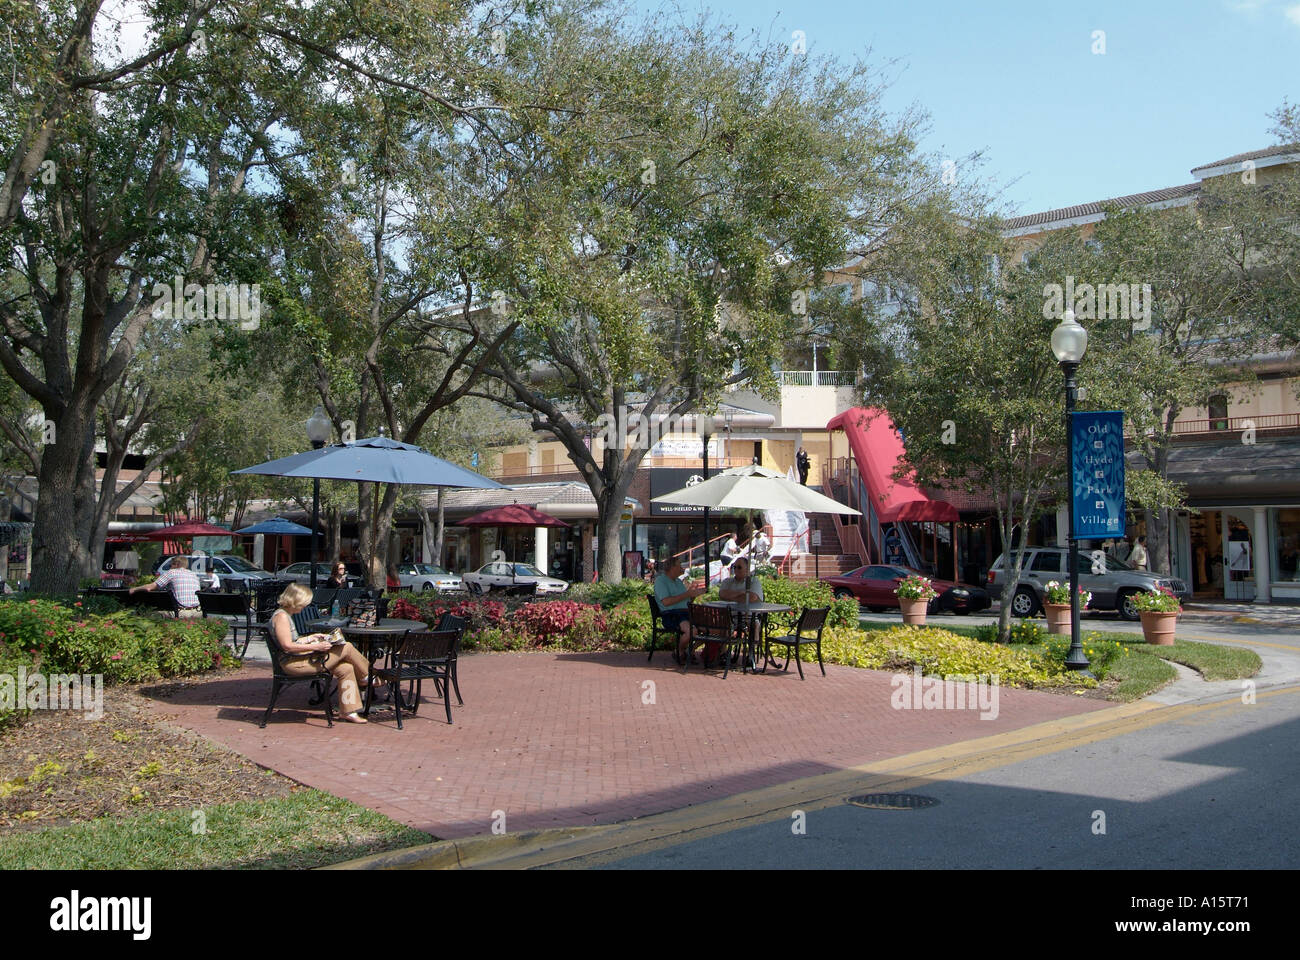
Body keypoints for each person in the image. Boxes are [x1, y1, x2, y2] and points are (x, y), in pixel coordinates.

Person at [269, 583, 374, 723]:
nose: (305, 606)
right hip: (293, 664)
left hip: (299, 659)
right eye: (304, 603)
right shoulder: (281, 617)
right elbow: (287, 646)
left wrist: (311, 638)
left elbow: (293, 641)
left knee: (346, 668)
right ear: (295, 601)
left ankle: (349, 711)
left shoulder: (285, 614)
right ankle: (368, 676)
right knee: (346, 647)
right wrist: (317, 647)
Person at [653, 558, 706, 665]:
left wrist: (693, 595)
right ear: (672, 568)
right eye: (679, 565)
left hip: (686, 613)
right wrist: (687, 594)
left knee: (711, 629)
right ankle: (679, 651)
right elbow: (666, 602)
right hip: (672, 615)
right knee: (692, 631)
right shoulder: (661, 581)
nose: (681, 568)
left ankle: (689, 650)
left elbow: (685, 600)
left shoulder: (678, 581)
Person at [130, 556, 203, 618]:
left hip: (181, 612)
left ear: (176, 565)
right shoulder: (194, 575)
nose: (170, 567)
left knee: (149, 614)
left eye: (171, 565)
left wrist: (134, 589)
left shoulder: (172, 572)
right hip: (198, 612)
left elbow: (151, 587)